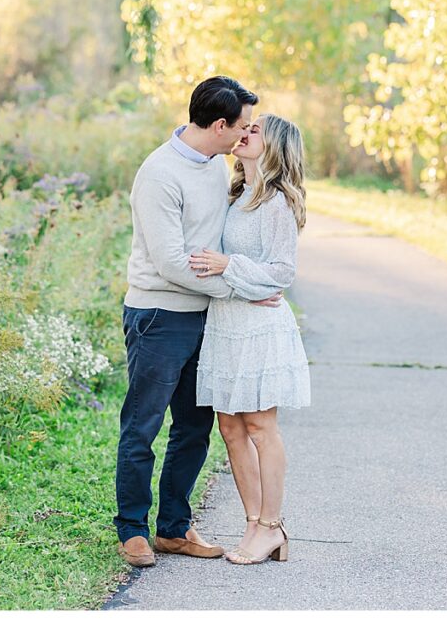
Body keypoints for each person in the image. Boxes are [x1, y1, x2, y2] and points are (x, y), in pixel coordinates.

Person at [115, 76, 284, 568]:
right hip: (158, 315)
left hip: (204, 317)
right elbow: (170, 262)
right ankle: (132, 530)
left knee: (194, 427)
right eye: (244, 126)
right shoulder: (159, 174)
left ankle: (172, 527)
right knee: (143, 425)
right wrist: (239, 291)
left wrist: (238, 286)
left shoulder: (215, 167)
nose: (247, 135)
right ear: (218, 125)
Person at [188, 113, 311, 565]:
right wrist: (238, 280)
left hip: (260, 330)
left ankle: (272, 526)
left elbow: (282, 274)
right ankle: (253, 524)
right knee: (231, 427)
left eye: (254, 130)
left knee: (260, 426)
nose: (244, 132)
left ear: (274, 147)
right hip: (227, 323)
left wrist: (229, 268)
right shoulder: (234, 195)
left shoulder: (277, 203)